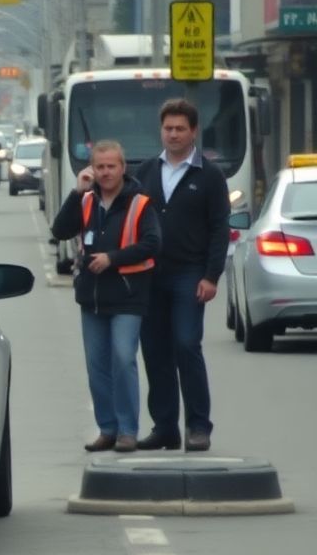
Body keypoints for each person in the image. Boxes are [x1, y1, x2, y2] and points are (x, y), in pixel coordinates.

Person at [133, 99, 231, 452]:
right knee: (155, 352)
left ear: (193, 132)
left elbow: (220, 229)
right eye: (168, 128)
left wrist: (211, 276)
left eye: (180, 129)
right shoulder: (144, 173)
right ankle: (164, 428)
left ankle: (199, 427)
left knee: (187, 345)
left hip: (190, 274)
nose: (173, 134)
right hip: (149, 276)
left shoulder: (209, 175)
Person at [52, 140, 162, 452]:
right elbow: (60, 230)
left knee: (123, 358)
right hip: (93, 297)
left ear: (122, 168)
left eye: (111, 166)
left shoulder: (140, 203)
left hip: (128, 295)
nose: (105, 172)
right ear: (92, 169)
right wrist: (76, 193)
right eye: (99, 167)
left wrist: (112, 258)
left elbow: (153, 244)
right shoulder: (85, 201)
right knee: (96, 365)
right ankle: (108, 429)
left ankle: (128, 430)